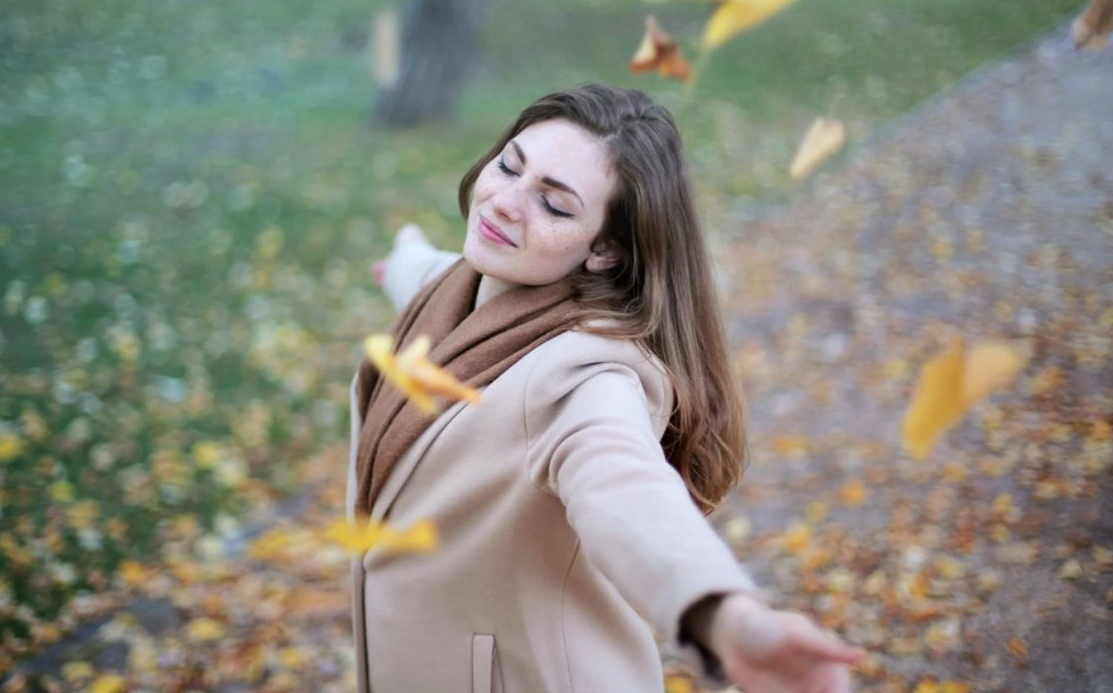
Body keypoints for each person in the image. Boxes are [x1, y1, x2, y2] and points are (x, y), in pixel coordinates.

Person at [348, 83, 862, 692]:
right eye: (510, 165)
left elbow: (624, 488)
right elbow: (431, 279)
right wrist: (404, 260)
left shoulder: (586, 375)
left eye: (555, 205)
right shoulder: (453, 290)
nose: (506, 203)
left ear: (605, 250)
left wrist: (723, 616)